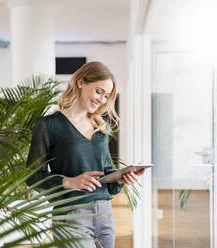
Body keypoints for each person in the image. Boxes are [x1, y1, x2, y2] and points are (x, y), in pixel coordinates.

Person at [26, 61, 145, 248]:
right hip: (72, 215)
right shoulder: (48, 125)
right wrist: (69, 181)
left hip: (105, 215)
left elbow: (106, 176)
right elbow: (33, 176)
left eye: (106, 96)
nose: (102, 100)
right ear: (81, 82)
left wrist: (121, 179)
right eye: (99, 92)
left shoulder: (100, 128)